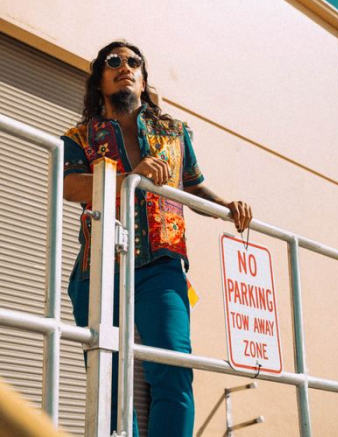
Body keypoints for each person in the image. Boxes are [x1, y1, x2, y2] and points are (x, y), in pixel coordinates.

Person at [61, 40, 252, 437]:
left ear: (144, 80)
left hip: (162, 265)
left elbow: (195, 188)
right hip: (99, 266)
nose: (124, 67)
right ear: (100, 80)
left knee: (174, 369)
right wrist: (132, 173)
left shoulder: (175, 134)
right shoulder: (80, 136)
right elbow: (71, 186)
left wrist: (226, 206)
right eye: (113, 62)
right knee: (109, 378)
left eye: (134, 62)